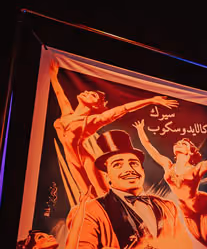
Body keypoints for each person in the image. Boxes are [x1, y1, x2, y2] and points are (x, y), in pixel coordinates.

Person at [65, 130, 207, 249]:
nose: (129, 169)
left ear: (142, 170)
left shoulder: (168, 207)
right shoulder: (91, 209)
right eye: (118, 165)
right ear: (107, 175)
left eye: (133, 163)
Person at [49, 61, 178, 195]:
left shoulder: (93, 121)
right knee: (85, 196)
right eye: (89, 92)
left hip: (85, 161)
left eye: (93, 95)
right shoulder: (67, 113)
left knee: (102, 194)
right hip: (72, 161)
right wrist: (53, 74)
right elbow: (59, 92)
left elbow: (123, 109)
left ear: (95, 106)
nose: (86, 92)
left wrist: (151, 101)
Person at [133, 120, 207, 247]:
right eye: (177, 142)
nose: (179, 143)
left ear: (190, 152)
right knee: (205, 242)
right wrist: (140, 129)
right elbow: (149, 147)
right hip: (187, 213)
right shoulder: (168, 165)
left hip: (203, 206)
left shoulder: (196, 169)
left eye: (183, 143)